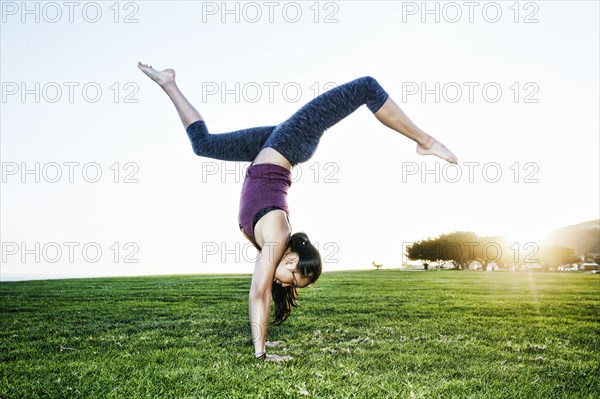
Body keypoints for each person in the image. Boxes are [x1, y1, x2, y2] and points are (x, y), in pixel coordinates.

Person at [137, 62, 458, 361]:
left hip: (271, 147)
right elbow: (258, 293)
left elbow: (263, 290)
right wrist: (260, 354)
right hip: (289, 143)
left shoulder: (272, 245)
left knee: (203, 145)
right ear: (290, 260)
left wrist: (262, 338)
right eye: (293, 279)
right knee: (366, 87)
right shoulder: (276, 238)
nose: (287, 285)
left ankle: (168, 82)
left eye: (292, 285)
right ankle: (424, 140)